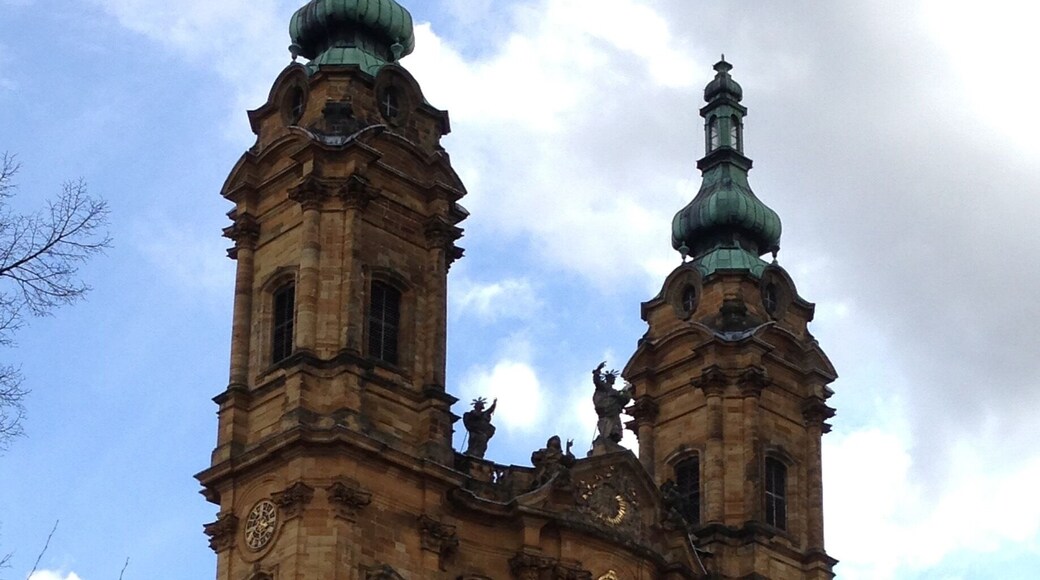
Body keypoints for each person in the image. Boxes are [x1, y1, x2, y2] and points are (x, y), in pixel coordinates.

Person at [592, 361, 633, 448]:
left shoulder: (613, 390)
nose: (613, 380)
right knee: (607, 425)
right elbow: (597, 381)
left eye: (614, 378)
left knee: (614, 427)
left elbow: (622, 398)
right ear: (608, 379)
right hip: (607, 410)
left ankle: (612, 437)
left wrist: (627, 390)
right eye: (612, 378)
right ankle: (606, 437)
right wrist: (597, 371)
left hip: (613, 411)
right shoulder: (604, 387)